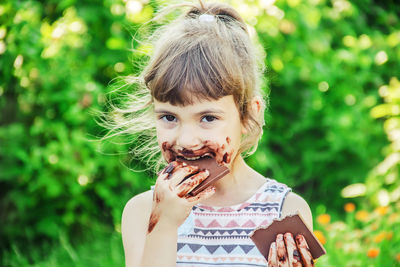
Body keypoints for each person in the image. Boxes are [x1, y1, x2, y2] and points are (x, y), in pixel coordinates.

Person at [104, 1, 315, 266]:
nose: (186, 140)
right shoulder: (142, 212)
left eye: (208, 118)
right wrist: (166, 225)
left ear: (248, 116)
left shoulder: (285, 213)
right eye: (169, 117)